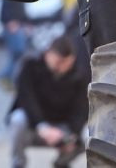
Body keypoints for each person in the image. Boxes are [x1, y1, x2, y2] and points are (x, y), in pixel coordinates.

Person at [7, 35, 88, 168]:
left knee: (89, 134)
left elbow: (82, 108)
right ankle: (18, 163)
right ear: (48, 54)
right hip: (35, 125)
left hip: (63, 128)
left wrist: (73, 135)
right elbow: (26, 99)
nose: (62, 67)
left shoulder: (79, 74)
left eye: (66, 63)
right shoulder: (30, 66)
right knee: (17, 119)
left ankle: (63, 162)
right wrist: (42, 126)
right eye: (58, 61)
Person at [0, 0, 32, 86]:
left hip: (19, 25)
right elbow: (6, 10)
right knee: (17, 52)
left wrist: (27, 22)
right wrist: (10, 21)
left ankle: (9, 76)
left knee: (18, 53)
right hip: (13, 26)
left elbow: (21, 10)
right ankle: (5, 75)